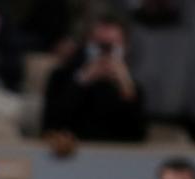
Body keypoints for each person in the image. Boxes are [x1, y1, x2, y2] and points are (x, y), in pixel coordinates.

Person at [41, 12, 146, 145]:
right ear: (87, 44)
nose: (104, 54)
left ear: (125, 48)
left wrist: (126, 88)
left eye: (111, 47)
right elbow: (50, 127)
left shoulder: (134, 88)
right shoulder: (60, 77)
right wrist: (81, 81)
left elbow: (138, 137)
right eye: (99, 45)